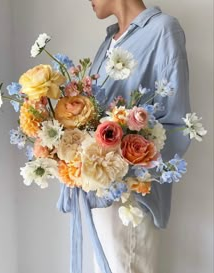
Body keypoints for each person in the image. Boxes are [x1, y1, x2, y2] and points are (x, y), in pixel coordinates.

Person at [88, 0, 191, 273]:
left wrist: (132, 171)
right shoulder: (108, 42)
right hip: (99, 194)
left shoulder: (162, 30)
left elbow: (176, 121)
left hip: (131, 201)